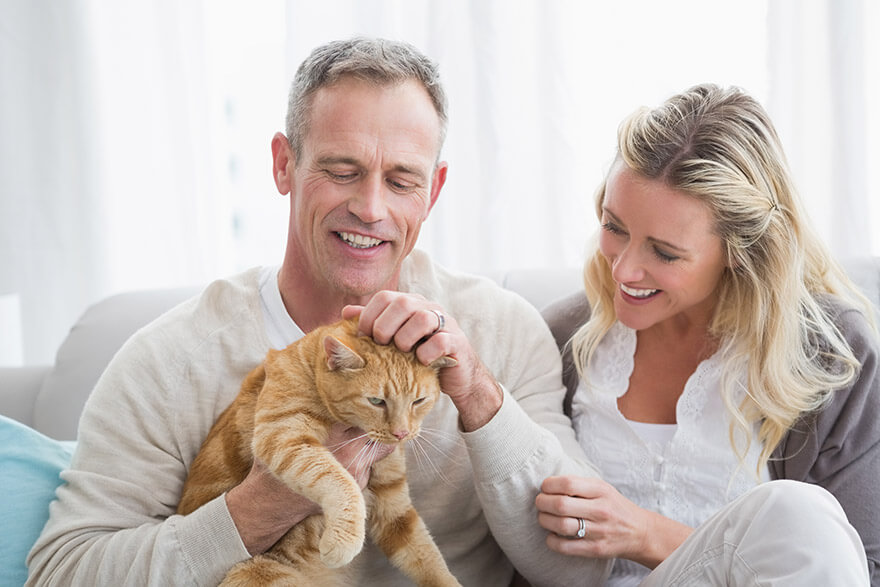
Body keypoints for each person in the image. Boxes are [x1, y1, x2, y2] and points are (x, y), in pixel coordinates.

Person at [26, 37, 610, 586]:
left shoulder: (499, 331)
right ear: (284, 164)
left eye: (402, 179)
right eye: (341, 171)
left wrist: (479, 396)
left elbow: (582, 571)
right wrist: (257, 510)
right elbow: (62, 571)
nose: (370, 207)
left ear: (433, 191)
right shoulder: (172, 360)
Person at [538, 83, 878, 585]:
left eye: (665, 252)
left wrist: (646, 534)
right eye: (615, 227)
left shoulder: (829, 353)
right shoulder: (565, 337)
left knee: (799, 516)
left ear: (741, 253)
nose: (624, 271)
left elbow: (859, 567)